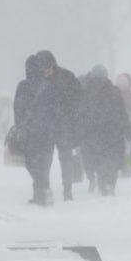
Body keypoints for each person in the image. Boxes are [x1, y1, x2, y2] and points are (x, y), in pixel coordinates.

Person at [34, 50, 83, 201]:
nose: (46, 71)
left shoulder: (66, 77)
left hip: (63, 125)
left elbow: (79, 98)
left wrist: (72, 117)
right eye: (43, 68)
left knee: (65, 159)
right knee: (45, 160)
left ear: (53, 65)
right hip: (47, 126)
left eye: (48, 67)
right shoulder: (38, 80)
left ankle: (67, 191)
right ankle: (45, 189)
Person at [79, 65, 131, 196]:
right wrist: (128, 131)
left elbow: (81, 113)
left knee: (99, 159)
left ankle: (103, 183)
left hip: (93, 134)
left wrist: (79, 130)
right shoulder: (114, 91)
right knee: (112, 160)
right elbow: (122, 113)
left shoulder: (86, 92)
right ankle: (110, 184)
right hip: (113, 133)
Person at [13, 55, 57, 206]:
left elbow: (17, 108)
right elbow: (55, 111)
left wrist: (19, 125)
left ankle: (42, 192)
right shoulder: (49, 87)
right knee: (45, 163)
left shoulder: (23, 86)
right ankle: (42, 192)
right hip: (47, 133)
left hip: (30, 132)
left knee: (32, 163)